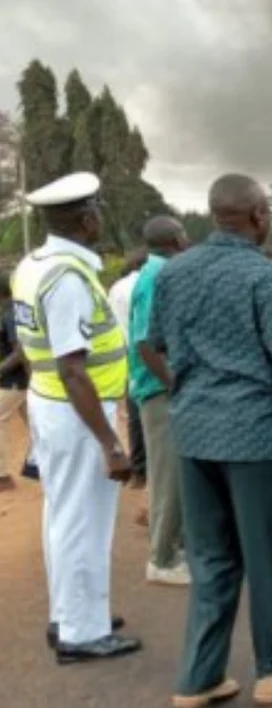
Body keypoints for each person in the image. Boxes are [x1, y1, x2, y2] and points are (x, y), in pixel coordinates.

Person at [147, 174, 272, 707]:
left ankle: (199, 678)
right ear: (259, 215)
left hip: (193, 435)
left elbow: (152, 345)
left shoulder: (175, 272)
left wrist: (189, 391)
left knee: (211, 558)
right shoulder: (266, 279)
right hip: (255, 439)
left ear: (216, 215)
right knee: (270, 555)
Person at [10, 172, 140, 663]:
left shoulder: (33, 264)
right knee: (82, 520)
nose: (101, 219)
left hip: (55, 407)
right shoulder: (67, 277)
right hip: (78, 412)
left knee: (62, 516)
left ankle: (71, 615)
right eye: (98, 212)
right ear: (86, 220)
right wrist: (110, 442)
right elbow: (73, 369)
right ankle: (82, 633)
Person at [129, 217, 191, 587]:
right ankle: (162, 558)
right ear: (174, 240)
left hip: (162, 386)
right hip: (158, 389)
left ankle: (176, 547)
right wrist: (174, 381)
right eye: (183, 232)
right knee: (167, 475)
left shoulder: (160, 272)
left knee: (175, 473)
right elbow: (145, 342)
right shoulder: (156, 278)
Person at [109, 250, 149, 495]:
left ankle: (139, 470)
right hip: (151, 356)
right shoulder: (149, 282)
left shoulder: (116, 287)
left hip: (126, 356)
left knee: (134, 416)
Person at [0, 273, 31, 491]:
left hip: (15, 380)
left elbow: (20, 351)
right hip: (21, 381)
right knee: (38, 426)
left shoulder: (11, 314)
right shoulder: (11, 311)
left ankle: (2, 477)